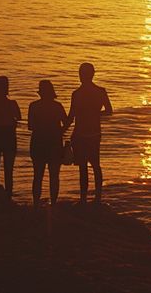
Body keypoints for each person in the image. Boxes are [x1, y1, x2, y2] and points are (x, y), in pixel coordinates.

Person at [66, 62, 113, 203]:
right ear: (93, 74)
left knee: (83, 167)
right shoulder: (100, 91)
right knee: (95, 165)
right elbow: (109, 111)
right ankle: (97, 197)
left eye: (81, 73)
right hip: (94, 134)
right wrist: (96, 114)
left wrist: (61, 130)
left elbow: (70, 117)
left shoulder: (76, 94)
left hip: (80, 134)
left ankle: (83, 198)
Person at [27, 79, 67, 206]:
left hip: (38, 142)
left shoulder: (33, 106)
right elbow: (66, 122)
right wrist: (60, 131)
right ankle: (54, 204)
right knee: (54, 176)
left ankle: (36, 204)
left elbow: (30, 126)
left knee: (38, 175)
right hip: (55, 142)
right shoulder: (57, 106)